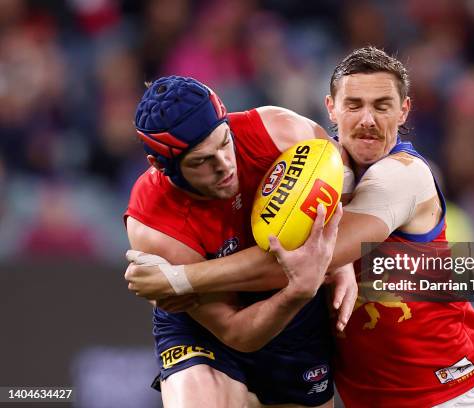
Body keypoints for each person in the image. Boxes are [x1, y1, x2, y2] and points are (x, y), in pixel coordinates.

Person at [126, 48, 474, 407]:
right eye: (354, 105)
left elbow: (301, 260)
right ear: (331, 110)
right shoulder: (303, 165)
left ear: (404, 111)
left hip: (468, 388)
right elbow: (293, 272)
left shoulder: (404, 175)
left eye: (382, 106)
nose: (368, 120)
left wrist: (183, 278)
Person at [124, 75, 354, 408]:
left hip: (295, 321)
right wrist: (298, 288)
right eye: (201, 161)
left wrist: (339, 254)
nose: (224, 165)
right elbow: (236, 331)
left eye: (224, 141)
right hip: (210, 329)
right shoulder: (153, 223)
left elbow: (342, 184)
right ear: (160, 166)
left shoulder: (281, 133)